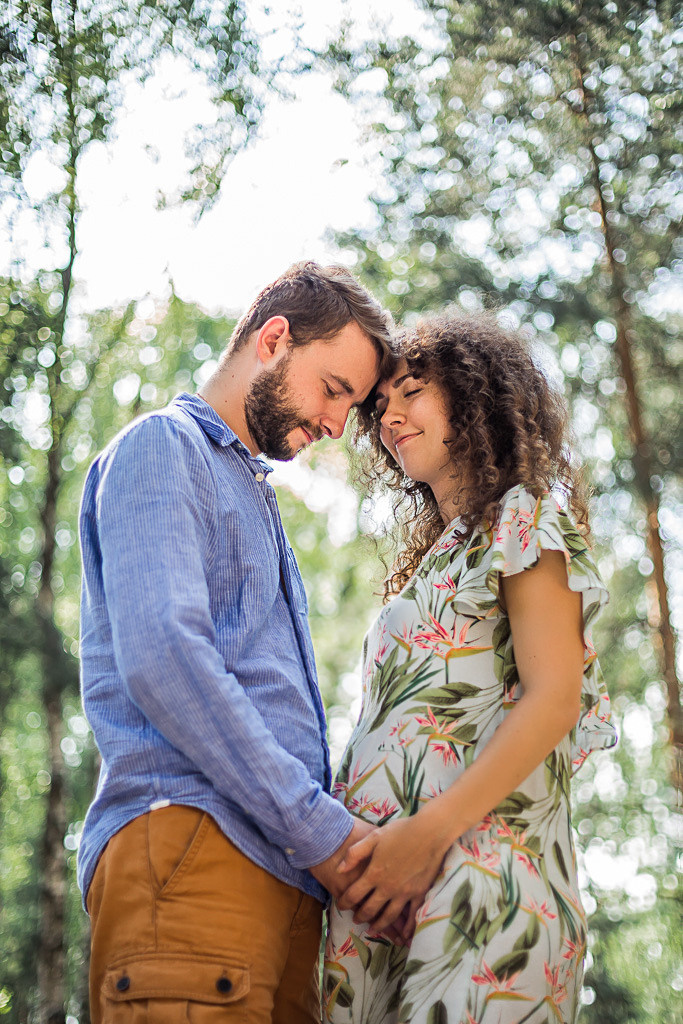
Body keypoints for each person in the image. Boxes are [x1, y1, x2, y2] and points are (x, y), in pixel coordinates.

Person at [78, 261, 395, 1023]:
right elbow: (164, 655)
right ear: (274, 338)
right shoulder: (163, 446)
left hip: (280, 883)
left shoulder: (250, 492)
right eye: (333, 389)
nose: (334, 425)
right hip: (191, 853)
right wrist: (323, 832)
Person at [324, 309, 617, 1024]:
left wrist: (425, 838)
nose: (389, 414)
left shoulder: (522, 519)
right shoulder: (434, 562)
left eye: (412, 390)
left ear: (472, 395)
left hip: (482, 893)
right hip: (384, 907)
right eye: (380, 404)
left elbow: (552, 699)